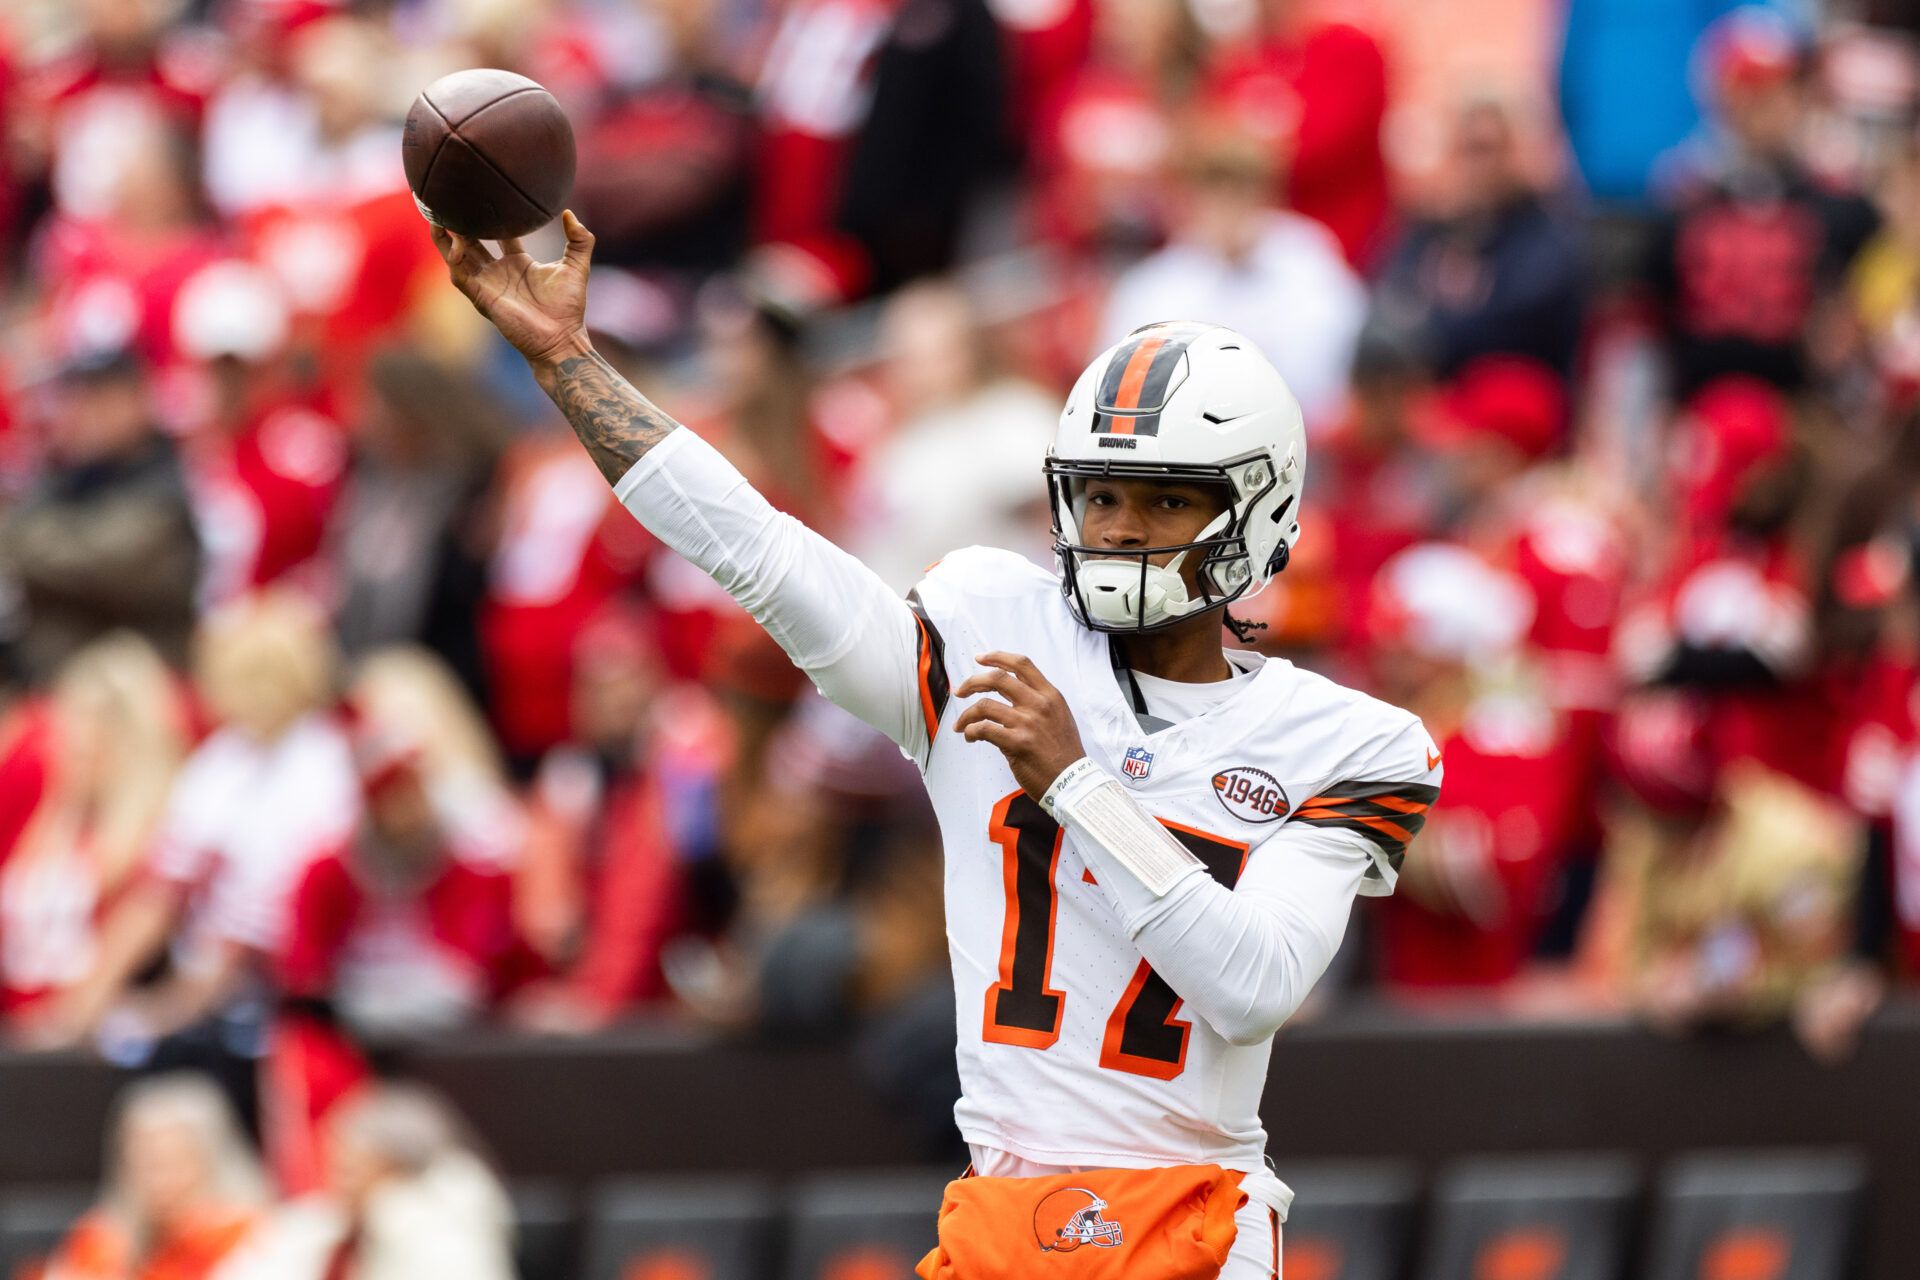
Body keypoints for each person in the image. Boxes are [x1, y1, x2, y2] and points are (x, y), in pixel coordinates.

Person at [431, 211, 1441, 1273]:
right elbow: (759, 552)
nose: (1122, 527)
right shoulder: (992, 618)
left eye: (1165, 499)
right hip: (1000, 1216)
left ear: (1259, 511)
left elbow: (1254, 983)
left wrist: (1079, 785)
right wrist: (564, 359)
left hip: (1190, 1222)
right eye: (1101, 494)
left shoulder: (1350, 740)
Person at [0, 348, 200, 682]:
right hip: (54, 680)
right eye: (80, 397)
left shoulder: (166, 479)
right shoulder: (70, 473)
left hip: (140, 686)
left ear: (140, 400)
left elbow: (94, 559)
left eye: (104, 398)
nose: (87, 411)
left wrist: (19, 539)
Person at [44, 1074, 265, 1280]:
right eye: (146, 1163)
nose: (159, 1182)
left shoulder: (256, 1244)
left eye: (174, 1162)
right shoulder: (99, 1241)